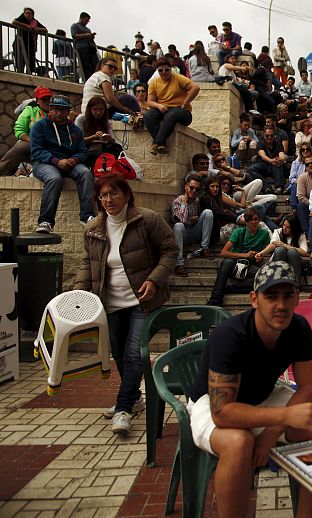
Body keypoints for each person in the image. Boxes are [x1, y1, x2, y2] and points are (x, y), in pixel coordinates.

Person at [187, 261, 312, 518]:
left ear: (297, 298)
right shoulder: (229, 335)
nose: (281, 305)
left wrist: (271, 432)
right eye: (271, 296)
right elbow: (223, 412)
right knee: (239, 442)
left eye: (288, 296)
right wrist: (284, 418)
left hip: (265, 394)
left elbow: (310, 387)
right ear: (254, 299)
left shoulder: (298, 327)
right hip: (210, 402)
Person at [75, 174, 178, 435]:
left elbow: (170, 250)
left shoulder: (148, 220)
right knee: (120, 356)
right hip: (110, 303)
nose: (108, 200)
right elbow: (88, 263)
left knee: (134, 354)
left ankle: (123, 409)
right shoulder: (93, 228)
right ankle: (133, 397)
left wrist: (155, 280)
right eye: (103, 195)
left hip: (141, 301)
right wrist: (78, 294)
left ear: (127, 194)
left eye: (113, 194)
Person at [30, 95, 95, 233]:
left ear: (68, 112)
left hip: (70, 162)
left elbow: (83, 151)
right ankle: (45, 221)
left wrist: (74, 160)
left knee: (86, 173)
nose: (59, 113)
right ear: (50, 109)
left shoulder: (75, 130)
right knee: (54, 178)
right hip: (45, 163)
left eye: (63, 110)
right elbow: (36, 151)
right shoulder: (39, 126)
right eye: (56, 110)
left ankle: (87, 216)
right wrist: (56, 161)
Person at [207, 208, 271, 306]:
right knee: (226, 262)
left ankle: (230, 288)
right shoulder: (239, 232)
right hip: (234, 263)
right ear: (246, 222)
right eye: (251, 220)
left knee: (264, 276)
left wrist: (260, 255)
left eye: (256, 219)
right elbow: (223, 253)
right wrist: (244, 255)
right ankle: (215, 299)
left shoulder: (264, 234)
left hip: (249, 265)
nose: (254, 222)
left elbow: (266, 251)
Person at [144, 58, 200, 155]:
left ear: (170, 69)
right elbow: (149, 102)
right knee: (148, 115)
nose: (164, 72)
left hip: (182, 111)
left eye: (166, 69)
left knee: (171, 115)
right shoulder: (154, 82)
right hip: (163, 109)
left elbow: (195, 87)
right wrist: (159, 106)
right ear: (157, 71)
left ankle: (156, 143)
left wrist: (185, 103)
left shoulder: (178, 77)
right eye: (160, 70)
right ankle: (161, 144)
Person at [0, 86, 51, 176]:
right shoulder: (30, 110)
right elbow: (19, 129)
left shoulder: (57, 111)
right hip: (32, 146)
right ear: (38, 101)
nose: (47, 102)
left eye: (49, 99)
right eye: (44, 99)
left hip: (52, 148)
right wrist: (33, 141)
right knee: (21, 146)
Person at [172, 175, 214, 276]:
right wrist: (185, 202)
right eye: (192, 188)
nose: (194, 191)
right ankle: (179, 264)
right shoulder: (177, 202)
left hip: (194, 232)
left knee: (208, 212)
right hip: (182, 235)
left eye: (197, 189)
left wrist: (195, 219)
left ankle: (204, 249)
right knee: (178, 226)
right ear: (186, 187)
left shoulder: (196, 201)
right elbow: (181, 221)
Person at [256, 214, 308, 286]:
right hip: (279, 258)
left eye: (288, 227)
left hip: (293, 261)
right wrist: (261, 253)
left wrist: (285, 245)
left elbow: (304, 252)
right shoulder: (278, 231)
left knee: (292, 252)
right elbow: (273, 244)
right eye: (284, 225)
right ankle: (277, 280)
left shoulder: (300, 235)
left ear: (294, 228)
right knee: (280, 250)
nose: (284, 228)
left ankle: (296, 283)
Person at [248, 128, 287, 194]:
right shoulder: (260, 144)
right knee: (251, 169)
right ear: (264, 135)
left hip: (275, 166)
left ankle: (279, 187)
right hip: (263, 164)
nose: (269, 137)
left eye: (271, 136)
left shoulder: (278, 144)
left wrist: (280, 160)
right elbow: (262, 155)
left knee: (278, 164)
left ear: (274, 136)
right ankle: (266, 186)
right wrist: (271, 160)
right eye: (267, 135)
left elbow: (282, 155)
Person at [81, 96, 117, 162]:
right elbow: (78, 141)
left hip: (102, 150)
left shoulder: (107, 122)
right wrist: (94, 137)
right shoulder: (81, 119)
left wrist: (108, 138)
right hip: (86, 150)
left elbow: (112, 140)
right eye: (95, 109)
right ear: (90, 109)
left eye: (101, 109)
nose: (98, 112)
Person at [12, 7, 47, 75]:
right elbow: (14, 22)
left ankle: (29, 74)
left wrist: (37, 29)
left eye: (30, 14)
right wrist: (27, 26)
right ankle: (20, 74)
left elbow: (45, 30)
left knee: (30, 61)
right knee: (20, 61)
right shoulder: (22, 18)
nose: (27, 15)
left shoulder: (35, 21)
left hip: (30, 44)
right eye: (26, 13)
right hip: (20, 43)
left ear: (32, 15)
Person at [70, 12, 98, 81]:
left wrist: (91, 37)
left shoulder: (88, 29)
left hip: (90, 48)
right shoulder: (75, 26)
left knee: (95, 65)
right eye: (86, 20)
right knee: (86, 66)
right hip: (82, 48)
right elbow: (74, 36)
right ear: (81, 18)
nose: (86, 22)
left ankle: (94, 80)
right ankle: (87, 80)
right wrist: (87, 35)